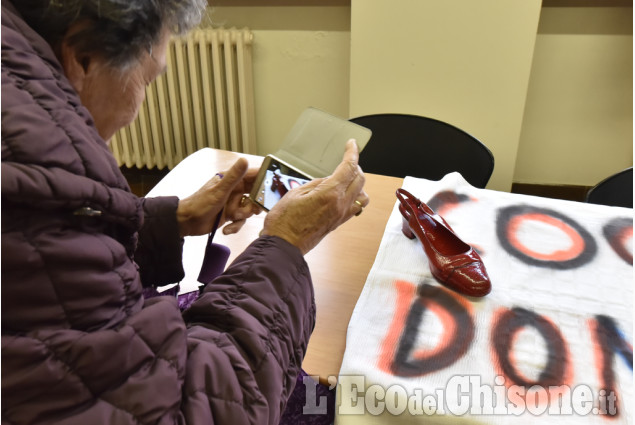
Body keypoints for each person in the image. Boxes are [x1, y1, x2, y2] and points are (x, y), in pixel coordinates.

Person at [1, 1, 370, 424]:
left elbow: (55, 265)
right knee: (330, 405)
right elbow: (194, 411)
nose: (137, 108)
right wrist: (285, 244)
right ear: (83, 56)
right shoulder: (40, 165)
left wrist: (172, 221)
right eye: (148, 78)